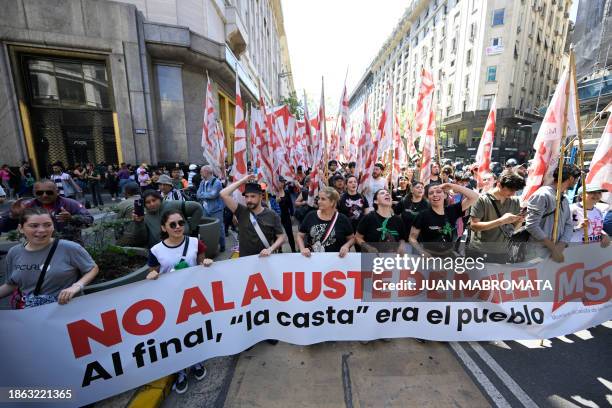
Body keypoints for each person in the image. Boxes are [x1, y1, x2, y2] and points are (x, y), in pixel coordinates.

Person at [145, 210, 212, 393]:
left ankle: (197, 362)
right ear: (163, 227)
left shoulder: (195, 242)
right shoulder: (156, 250)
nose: (177, 227)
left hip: (194, 299)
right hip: (170, 301)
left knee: (194, 332)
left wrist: (205, 263)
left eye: (181, 223)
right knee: (175, 336)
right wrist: (151, 275)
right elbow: (153, 272)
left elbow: (200, 263)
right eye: (172, 224)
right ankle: (180, 371)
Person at [0, 208, 98, 308]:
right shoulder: (14, 252)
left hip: (67, 311)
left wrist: (77, 286)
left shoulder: (70, 248)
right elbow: (12, 284)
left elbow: (92, 268)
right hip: (29, 314)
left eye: (47, 225)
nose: (42, 230)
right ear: (21, 228)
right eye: (34, 226)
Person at [0, 180, 93, 244]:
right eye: (39, 193)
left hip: (69, 248)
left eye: (49, 192)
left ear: (57, 191)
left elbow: (89, 220)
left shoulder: (70, 204)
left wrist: (71, 218)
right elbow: (3, 228)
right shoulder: (25, 206)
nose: (44, 195)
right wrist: (13, 216)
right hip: (38, 249)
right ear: (34, 193)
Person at [220, 175, 286, 257]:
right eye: (246, 196)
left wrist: (270, 249)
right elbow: (223, 194)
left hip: (265, 259)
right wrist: (242, 181)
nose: (249, 200)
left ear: (261, 196)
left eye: (253, 196)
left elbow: (281, 237)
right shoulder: (241, 211)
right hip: (245, 260)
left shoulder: (272, 215)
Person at [525, 164, 580, 262]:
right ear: (571, 178)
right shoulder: (542, 195)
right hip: (537, 253)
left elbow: (569, 224)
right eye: (576, 179)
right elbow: (532, 225)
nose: (577, 182)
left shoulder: (565, 199)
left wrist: (561, 245)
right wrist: (553, 248)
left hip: (557, 252)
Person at [468, 171, 526, 263]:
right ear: (499, 184)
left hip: (502, 253)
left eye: (515, 190)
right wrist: (501, 221)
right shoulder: (481, 200)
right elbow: (474, 226)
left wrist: (519, 220)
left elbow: (513, 229)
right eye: (510, 190)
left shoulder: (515, 201)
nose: (513, 193)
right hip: (480, 252)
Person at [409, 183, 479, 256]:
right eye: (431, 193)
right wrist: (422, 252)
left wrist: (452, 186)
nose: (435, 195)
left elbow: (474, 197)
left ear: (445, 195)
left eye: (438, 192)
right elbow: (412, 238)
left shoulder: (453, 210)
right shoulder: (422, 215)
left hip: (448, 256)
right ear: (428, 198)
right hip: (429, 256)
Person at [132, 190, 203, 248]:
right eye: (148, 202)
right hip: (160, 252)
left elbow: (197, 208)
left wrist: (190, 227)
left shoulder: (173, 205)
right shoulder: (145, 216)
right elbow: (142, 239)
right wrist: (139, 222)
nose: (152, 204)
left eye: (154, 200)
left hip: (183, 246)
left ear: (160, 199)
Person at [297, 187, 354, 257]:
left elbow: (351, 238)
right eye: (319, 198)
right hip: (313, 260)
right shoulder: (310, 216)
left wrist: (346, 246)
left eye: (323, 199)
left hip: (336, 261)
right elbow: (300, 235)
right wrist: (302, 249)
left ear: (332, 202)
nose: (318, 202)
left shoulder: (343, 219)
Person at [356, 189, 407, 253]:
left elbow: (402, 239)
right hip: (371, 259)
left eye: (388, 193)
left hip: (391, 259)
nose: (387, 194)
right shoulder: (368, 218)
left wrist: (402, 246)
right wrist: (368, 247)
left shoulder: (398, 220)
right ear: (376, 201)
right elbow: (357, 237)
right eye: (382, 193)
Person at [197, 165, 226, 252]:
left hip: (216, 209)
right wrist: (205, 195)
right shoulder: (202, 182)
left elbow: (213, 195)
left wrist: (202, 195)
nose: (200, 173)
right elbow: (198, 194)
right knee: (208, 227)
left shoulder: (216, 182)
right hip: (205, 209)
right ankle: (211, 245)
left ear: (207, 172)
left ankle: (222, 245)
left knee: (219, 227)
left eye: (201, 171)